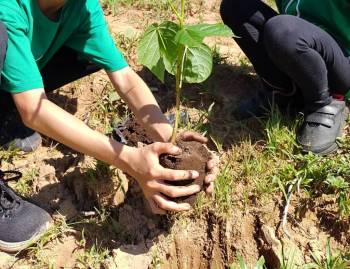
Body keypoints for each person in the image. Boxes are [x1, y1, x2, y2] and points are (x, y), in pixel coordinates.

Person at [0, 0, 217, 252]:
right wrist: (130, 160)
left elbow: (123, 76)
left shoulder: (80, 6)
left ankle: (8, 102)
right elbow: (32, 109)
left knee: (88, 52)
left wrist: (170, 137)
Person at [220, 0, 350, 155]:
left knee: (283, 29)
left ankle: (323, 103)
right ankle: (284, 93)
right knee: (235, 6)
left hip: (342, 61)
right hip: (302, 46)